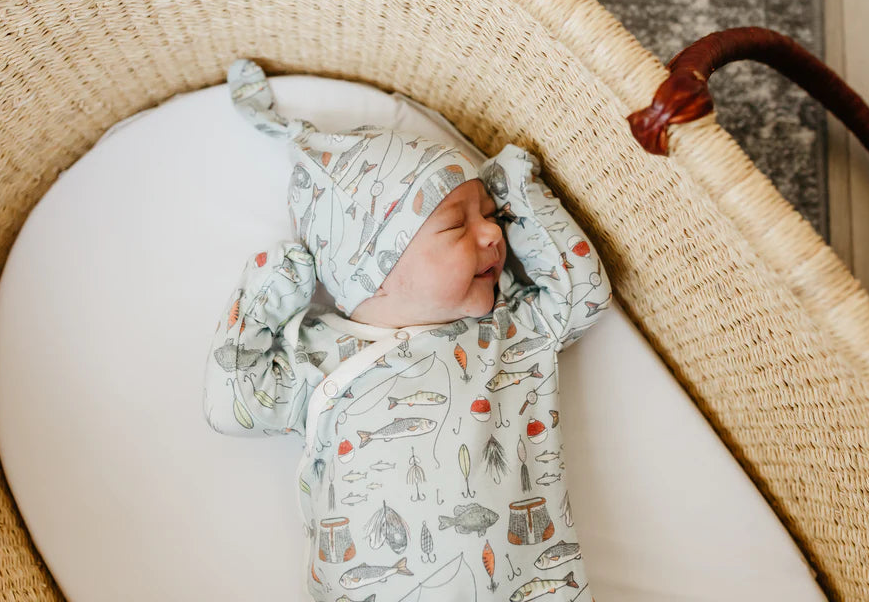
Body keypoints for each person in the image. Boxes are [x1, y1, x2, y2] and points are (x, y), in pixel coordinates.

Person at [203, 59, 611, 601]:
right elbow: (235, 404)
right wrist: (269, 289)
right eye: (457, 223)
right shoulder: (318, 352)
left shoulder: (511, 329)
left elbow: (584, 293)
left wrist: (516, 193)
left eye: (492, 214)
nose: (492, 232)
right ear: (374, 270)